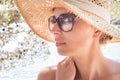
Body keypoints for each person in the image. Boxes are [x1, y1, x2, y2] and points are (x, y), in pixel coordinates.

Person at [15, 0, 120, 80]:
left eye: (65, 20)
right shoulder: (48, 76)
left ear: (96, 29)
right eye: (53, 20)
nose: (54, 30)